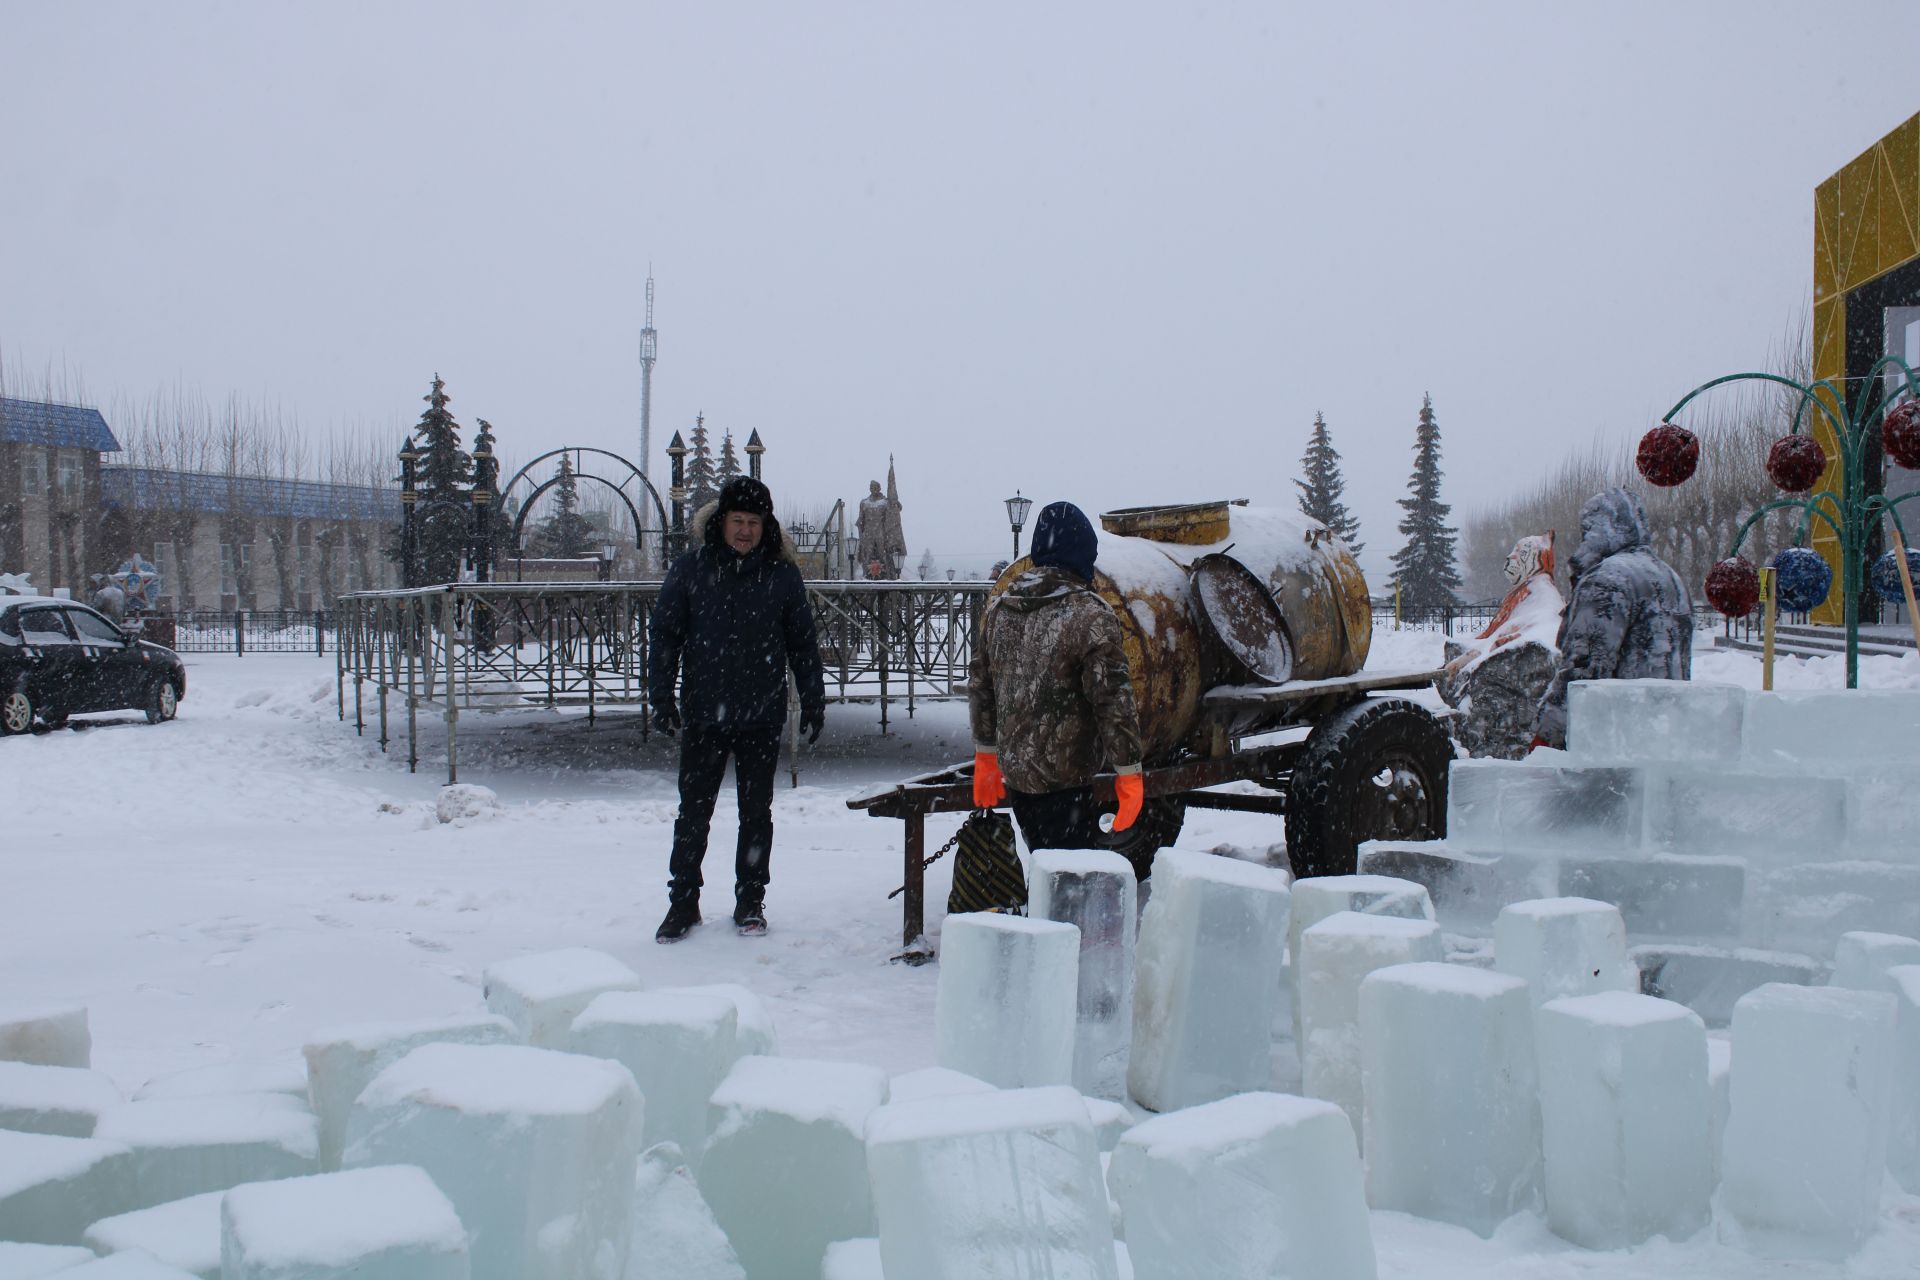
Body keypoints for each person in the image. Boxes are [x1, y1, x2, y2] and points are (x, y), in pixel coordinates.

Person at [649, 476, 826, 942]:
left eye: (753, 522)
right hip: (705, 713)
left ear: (765, 527)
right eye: (737, 521)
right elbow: (665, 636)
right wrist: (661, 695)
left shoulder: (782, 575)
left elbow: (802, 643)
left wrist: (813, 697)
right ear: (721, 522)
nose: (745, 530)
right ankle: (683, 903)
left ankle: (750, 900)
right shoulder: (692, 569)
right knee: (693, 813)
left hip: (761, 715)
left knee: (756, 812)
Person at [968, 501, 1145, 854]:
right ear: (1082, 555)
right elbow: (1113, 702)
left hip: (1018, 780)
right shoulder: (1090, 615)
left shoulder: (1000, 609)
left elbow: (981, 687)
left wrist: (986, 756)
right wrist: (1129, 773)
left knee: (1045, 865)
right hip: (1068, 785)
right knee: (1068, 881)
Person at [1530, 487, 1691, 749]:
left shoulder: (1607, 580)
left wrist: (1547, 736)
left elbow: (1583, 671)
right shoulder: (1670, 578)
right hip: (1667, 737)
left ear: (1598, 530)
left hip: (1614, 739)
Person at [1438, 533, 1563, 759]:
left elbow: (1536, 625)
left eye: (1520, 554)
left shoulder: (1539, 591)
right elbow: (1491, 636)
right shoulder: (1525, 590)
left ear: (1536, 559)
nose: (1511, 558)